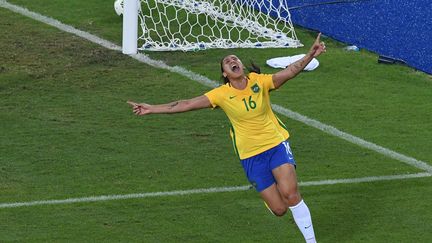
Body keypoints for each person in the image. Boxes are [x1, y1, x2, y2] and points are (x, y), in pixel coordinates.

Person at [128, 33, 326, 243]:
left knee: (291, 195)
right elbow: (185, 104)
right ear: (225, 73)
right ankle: (273, 198)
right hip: (251, 155)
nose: (233, 61)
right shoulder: (221, 94)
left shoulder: (260, 82)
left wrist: (310, 55)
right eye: (228, 61)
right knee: (279, 209)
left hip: (276, 144)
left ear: (241, 65)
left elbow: (290, 71)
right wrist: (152, 109)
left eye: (235, 58)